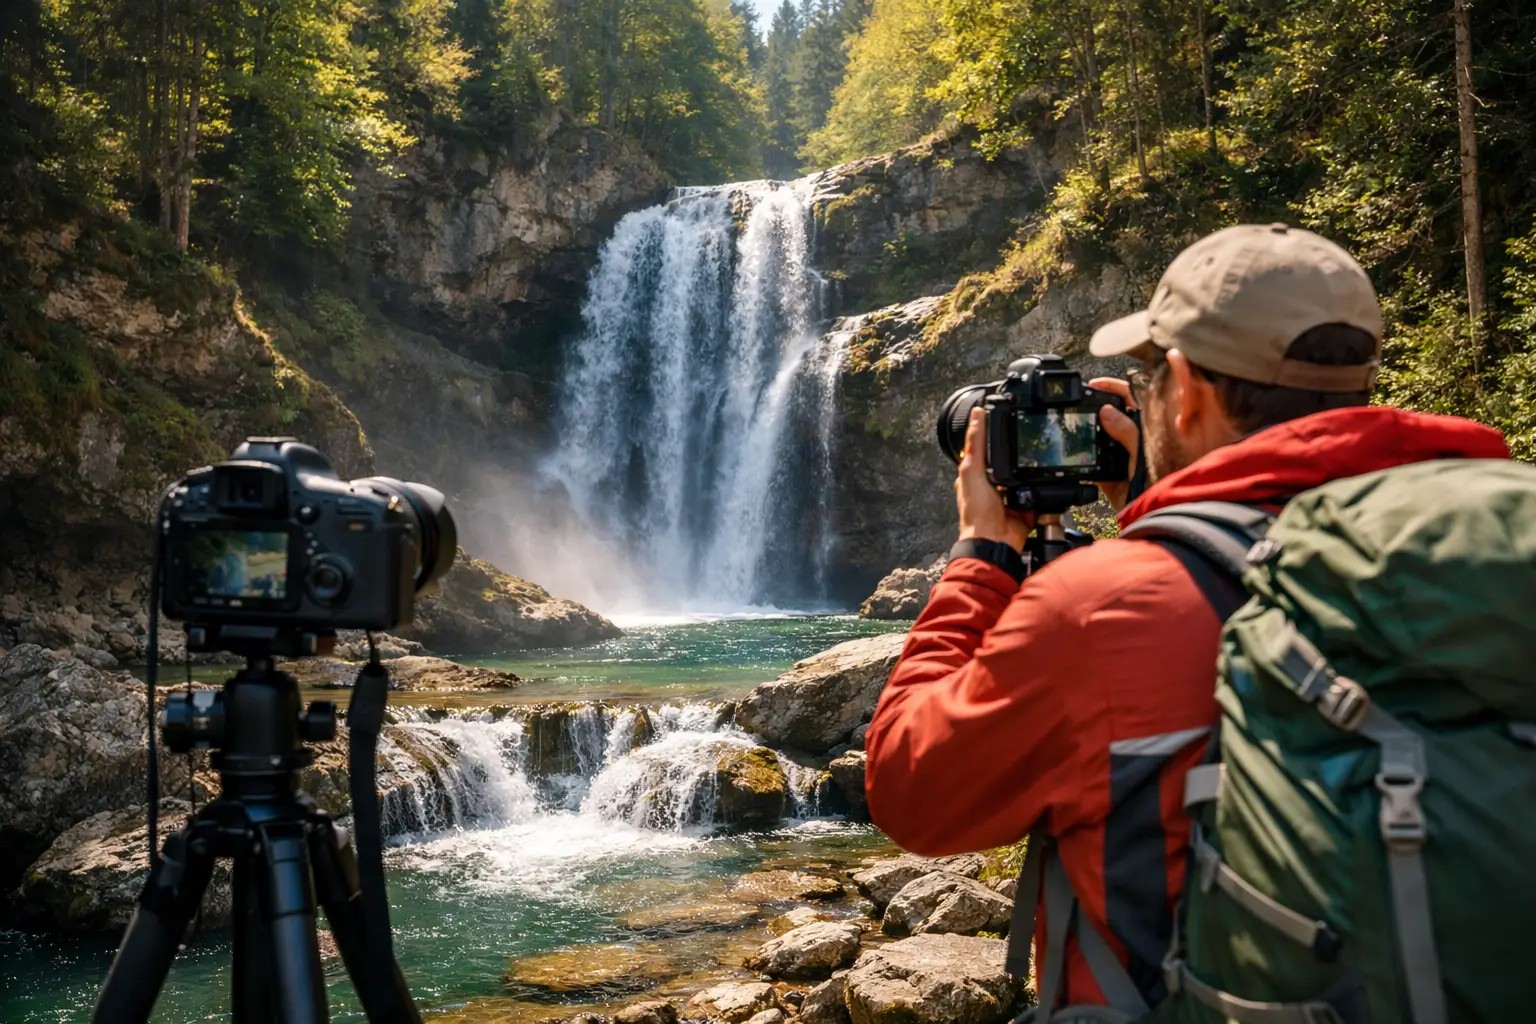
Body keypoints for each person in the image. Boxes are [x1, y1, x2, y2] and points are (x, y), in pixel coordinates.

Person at [862, 224, 1511, 1011]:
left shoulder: (1103, 610)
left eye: (1147, 378)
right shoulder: (1497, 560)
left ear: (1188, 388)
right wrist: (1152, 509)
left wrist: (982, 554)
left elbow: (912, 792)